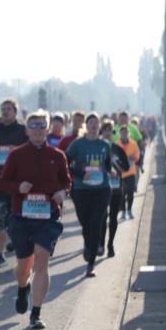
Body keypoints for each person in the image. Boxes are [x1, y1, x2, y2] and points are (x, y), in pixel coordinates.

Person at [0, 110, 71, 330]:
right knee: (23, 267)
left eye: (42, 126)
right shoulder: (17, 155)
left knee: (41, 262)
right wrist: (18, 187)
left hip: (47, 217)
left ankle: (36, 313)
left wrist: (63, 192)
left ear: (48, 129)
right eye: (34, 126)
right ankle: (23, 287)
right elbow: (3, 182)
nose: (38, 130)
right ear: (27, 130)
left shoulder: (58, 155)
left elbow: (66, 182)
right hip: (21, 217)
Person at [64, 112, 115, 277]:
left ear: (99, 126)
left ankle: (91, 263)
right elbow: (64, 162)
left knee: (96, 223)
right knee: (85, 224)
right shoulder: (77, 144)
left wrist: (112, 172)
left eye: (96, 123)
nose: (94, 125)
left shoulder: (105, 145)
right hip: (81, 190)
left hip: (102, 190)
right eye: (91, 122)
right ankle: (88, 243)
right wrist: (79, 174)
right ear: (86, 126)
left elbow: (107, 165)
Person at [0, 98, 27, 269]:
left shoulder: (23, 130)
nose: (5, 111)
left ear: (15, 112)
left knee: (18, 219)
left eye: (9, 108)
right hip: (0, 181)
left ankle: (20, 249)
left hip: (19, 183)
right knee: (0, 218)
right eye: (3, 109)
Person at [97, 121, 132, 258]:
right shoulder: (97, 148)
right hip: (101, 187)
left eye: (110, 130)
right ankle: (101, 244)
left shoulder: (118, 149)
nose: (107, 133)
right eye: (105, 130)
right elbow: (91, 166)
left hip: (116, 187)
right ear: (101, 132)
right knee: (102, 217)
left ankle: (110, 244)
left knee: (113, 218)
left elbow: (126, 168)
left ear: (113, 133)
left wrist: (115, 161)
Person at [117, 124, 140, 218]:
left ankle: (129, 210)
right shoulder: (117, 144)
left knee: (130, 192)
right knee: (122, 193)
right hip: (120, 173)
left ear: (128, 133)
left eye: (126, 132)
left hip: (131, 172)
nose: (124, 134)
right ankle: (123, 211)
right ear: (120, 133)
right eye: (122, 132)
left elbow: (137, 156)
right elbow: (114, 157)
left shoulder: (133, 143)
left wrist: (133, 157)